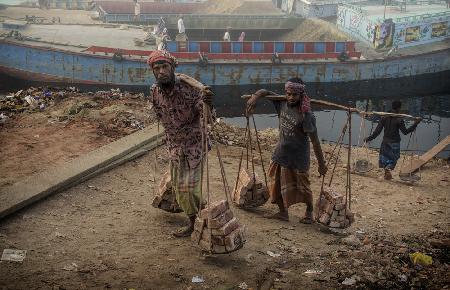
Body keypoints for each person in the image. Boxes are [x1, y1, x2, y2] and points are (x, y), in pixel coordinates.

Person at [147, 50, 211, 237]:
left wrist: (209, 103)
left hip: (194, 146)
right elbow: (160, 113)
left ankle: (200, 218)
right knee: (178, 186)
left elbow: (207, 116)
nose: (161, 72)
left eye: (164, 67)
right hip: (174, 146)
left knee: (189, 187)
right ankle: (195, 220)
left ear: (173, 67)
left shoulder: (190, 88)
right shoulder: (155, 91)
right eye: (156, 68)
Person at [246, 78, 327, 223]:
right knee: (275, 184)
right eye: (288, 94)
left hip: (298, 158)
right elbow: (265, 92)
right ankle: (283, 212)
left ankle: (309, 211)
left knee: (303, 187)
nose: (290, 97)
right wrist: (255, 97)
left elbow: (315, 141)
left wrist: (322, 164)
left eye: (294, 95)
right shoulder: (281, 103)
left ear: (301, 94)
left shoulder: (306, 115)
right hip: (281, 153)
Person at [364, 100, 421, 180]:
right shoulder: (399, 119)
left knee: (385, 157)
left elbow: (377, 132)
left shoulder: (384, 117)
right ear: (399, 108)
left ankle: (386, 173)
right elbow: (405, 132)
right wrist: (415, 124)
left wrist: (369, 138)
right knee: (394, 158)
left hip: (385, 141)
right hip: (394, 142)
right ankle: (387, 170)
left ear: (392, 106)